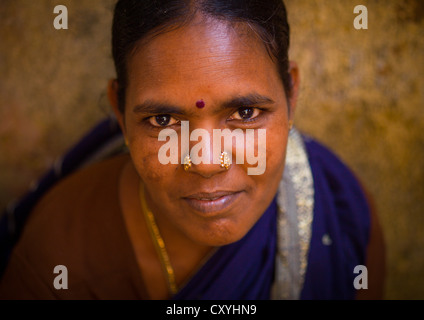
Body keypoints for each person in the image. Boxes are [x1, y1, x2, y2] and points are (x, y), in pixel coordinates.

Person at [0, 0, 385, 300]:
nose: (204, 163)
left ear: (291, 92)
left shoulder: (342, 221)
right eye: (164, 120)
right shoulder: (58, 259)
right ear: (119, 109)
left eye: (245, 112)